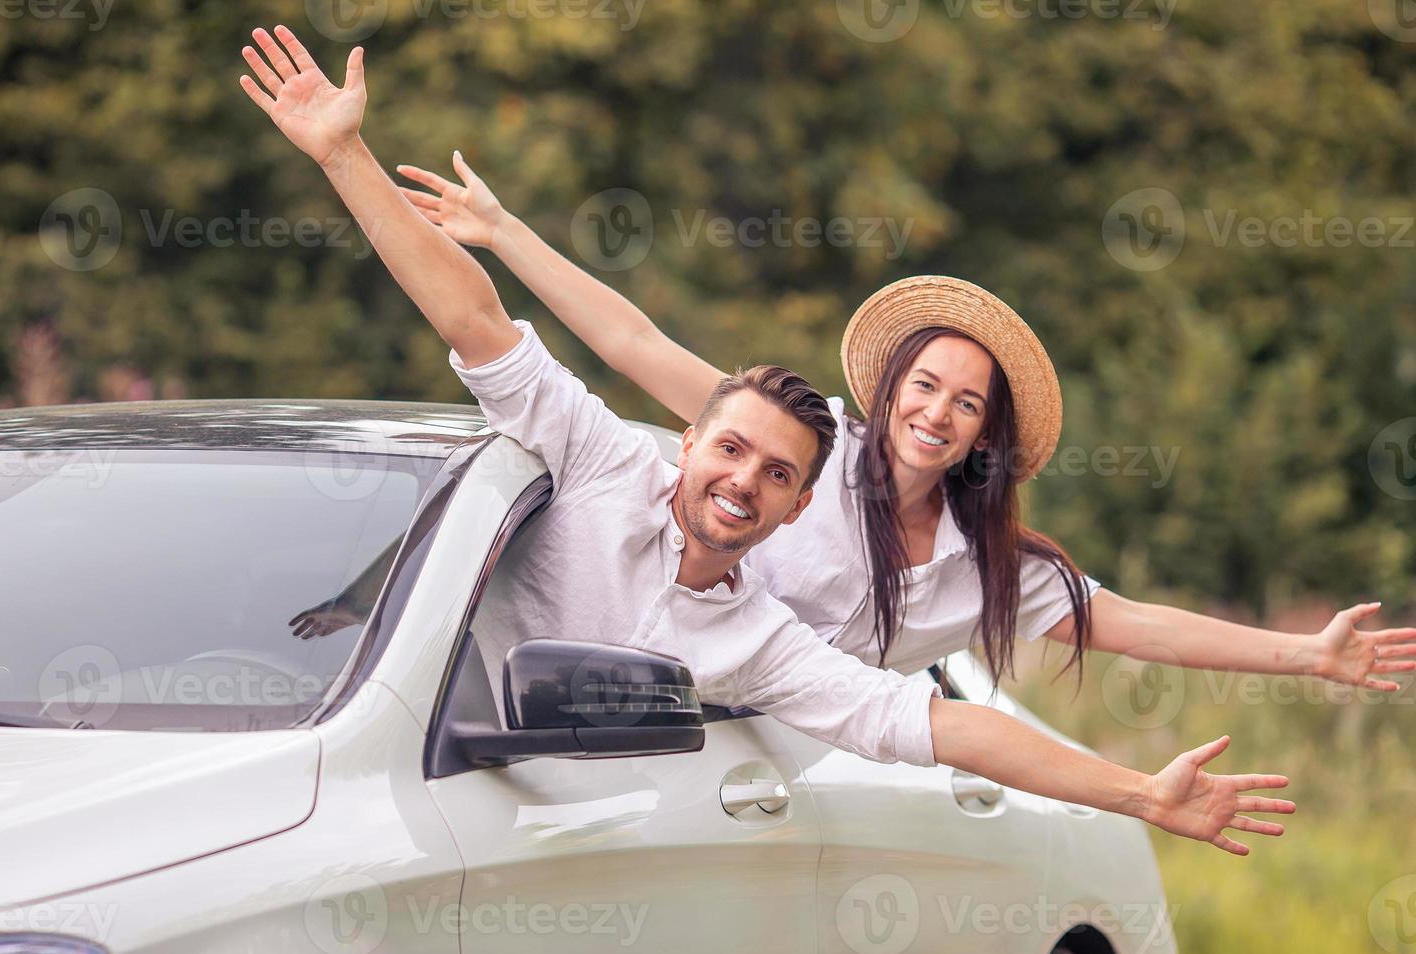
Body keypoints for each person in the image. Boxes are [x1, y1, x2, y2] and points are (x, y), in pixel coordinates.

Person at [240, 24, 1296, 855]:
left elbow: (961, 717)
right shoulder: (609, 460)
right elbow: (517, 327)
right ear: (688, 442)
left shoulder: (768, 636)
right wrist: (351, 159)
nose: (745, 478)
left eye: (778, 474)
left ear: (803, 502)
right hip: (365, 739)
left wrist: (1142, 787)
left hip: (593, 815)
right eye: (923, 383)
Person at [394, 153, 1416, 697]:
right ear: (889, 390)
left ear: (984, 436)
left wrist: (1305, 655)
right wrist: (505, 232)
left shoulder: (988, 565)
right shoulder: (799, 454)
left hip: (776, 763)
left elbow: (1137, 623)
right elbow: (633, 340)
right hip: (617, 693)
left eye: (967, 403)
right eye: (925, 385)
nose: (937, 412)